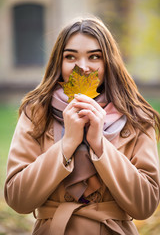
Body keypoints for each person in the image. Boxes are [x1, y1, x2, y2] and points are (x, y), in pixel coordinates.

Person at [4, 16, 160, 235]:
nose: (83, 67)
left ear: (108, 62)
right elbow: (18, 199)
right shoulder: (36, 113)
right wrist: (67, 144)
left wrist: (99, 145)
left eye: (94, 56)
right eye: (70, 57)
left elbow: (145, 205)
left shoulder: (137, 117)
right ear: (59, 62)